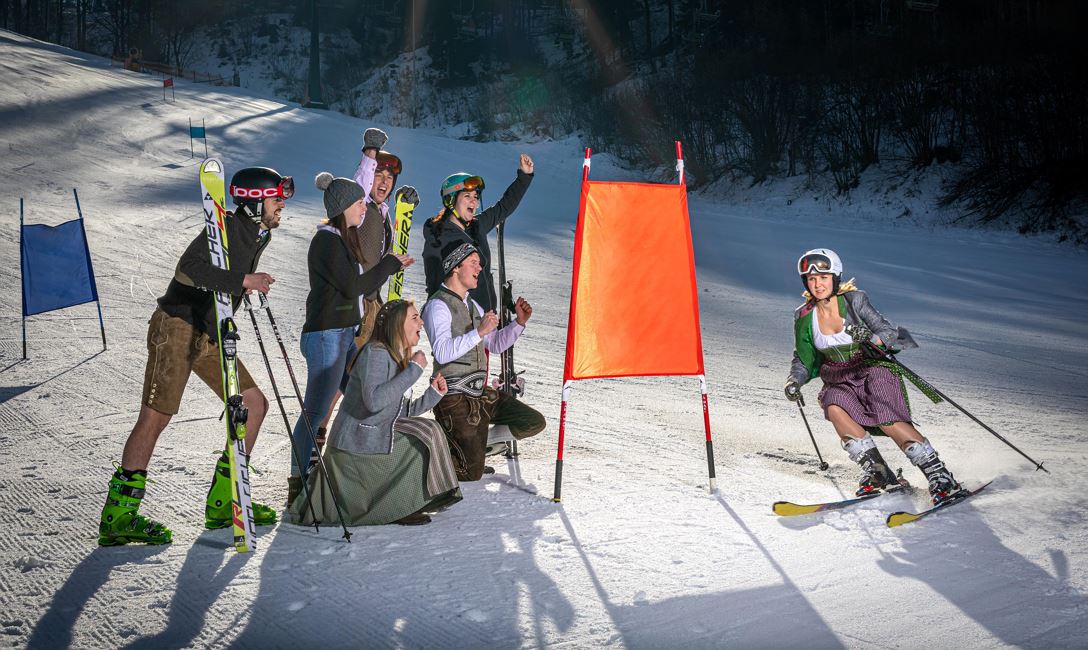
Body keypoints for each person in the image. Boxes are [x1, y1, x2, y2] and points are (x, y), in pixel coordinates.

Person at [98, 166, 293, 546]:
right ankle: (119, 514)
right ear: (255, 203)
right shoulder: (223, 228)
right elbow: (188, 269)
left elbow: (221, 276)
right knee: (157, 417)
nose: (282, 205)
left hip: (211, 332)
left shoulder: (256, 235)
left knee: (253, 405)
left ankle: (225, 502)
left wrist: (239, 290)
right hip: (177, 325)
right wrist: (243, 281)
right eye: (276, 198)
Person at [784, 248, 965, 505]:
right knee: (833, 405)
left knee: (886, 417)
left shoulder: (855, 301)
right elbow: (803, 357)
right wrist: (794, 380)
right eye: (811, 279)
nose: (817, 284)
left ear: (835, 277)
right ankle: (879, 473)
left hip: (872, 367)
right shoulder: (803, 315)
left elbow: (891, 335)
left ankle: (940, 475)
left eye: (823, 277)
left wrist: (869, 337)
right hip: (837, 374)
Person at [286, 172, 412, 503]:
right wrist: (387, 265)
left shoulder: (343, 239)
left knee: (359, 396)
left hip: (342, 334)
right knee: (315, 410)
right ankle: (299, 484)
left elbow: (355, 292)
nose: (363, 209)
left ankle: (354, 467)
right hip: (325, 336)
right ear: (343, 206)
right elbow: (351, 287)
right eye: (359, 203)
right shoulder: (326, 241)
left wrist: (389, 267)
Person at [290, 299, 462, 526]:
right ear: (396, 325)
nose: (421, 322)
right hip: (354, 447)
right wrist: (414, 370)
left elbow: (397, 410)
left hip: (369, 439)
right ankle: (397, 507)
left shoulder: (392, 355)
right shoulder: (376, 352)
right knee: (419, 442)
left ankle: (407, 503)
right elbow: (374, 401)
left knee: (428, 429)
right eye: (414, 318)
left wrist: (433, 394)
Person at [422, 242, 545, 481]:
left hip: (479, 396)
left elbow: (496, 344)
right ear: (456, 268)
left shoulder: (472, 304)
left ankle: (477, 443)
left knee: (532, 422)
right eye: (473, 263)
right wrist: (478, 332)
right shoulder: (438, 305)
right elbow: (443, 351)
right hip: (454, 399)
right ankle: (436, 446)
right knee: (470, 474)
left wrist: (519, 323)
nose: (480, 268)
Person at [422, 154, 534, 313]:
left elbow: (503, 207)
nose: (474, 202)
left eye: (475, 196)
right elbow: (434, 282)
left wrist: (524, 176)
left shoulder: (477, 226)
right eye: (467, 196)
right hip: (461, 321)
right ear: (451, 201)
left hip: (488, 318)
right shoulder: (438, 236)